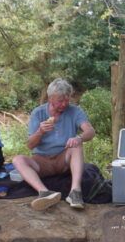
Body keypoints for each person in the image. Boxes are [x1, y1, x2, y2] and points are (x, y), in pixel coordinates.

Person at [12, 78, 95, 211]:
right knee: (17, 160)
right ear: (50, 99)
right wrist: (40, 132)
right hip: (42, 161)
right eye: (60, 101)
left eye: (67, 100)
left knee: (76, 145)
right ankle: (45, 193)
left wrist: (79, 137)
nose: (64, 104)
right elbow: (30, 145)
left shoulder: (75, 111)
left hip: (64, 159)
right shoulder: (38, 113)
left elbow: (90, 131)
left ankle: (75, 192)